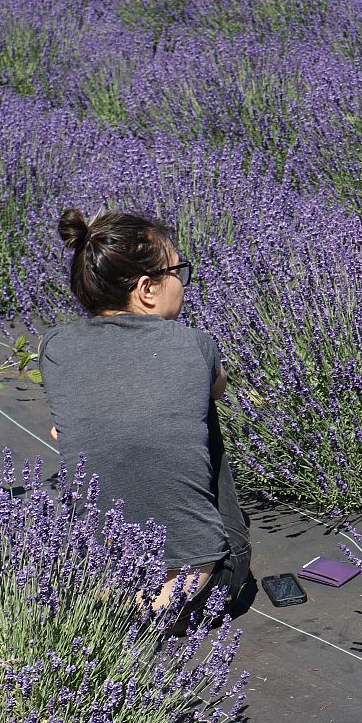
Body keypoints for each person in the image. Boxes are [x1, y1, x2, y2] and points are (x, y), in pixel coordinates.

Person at [39, 208, 251, 633]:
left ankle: (116, 590)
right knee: (200, 410)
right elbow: (218, 389)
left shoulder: (55, 345)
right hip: (197, 595)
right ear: (147, 289)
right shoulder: (196, 344)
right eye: (177, 272)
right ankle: (170, 587)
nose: (183, 284)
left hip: (98, 595)